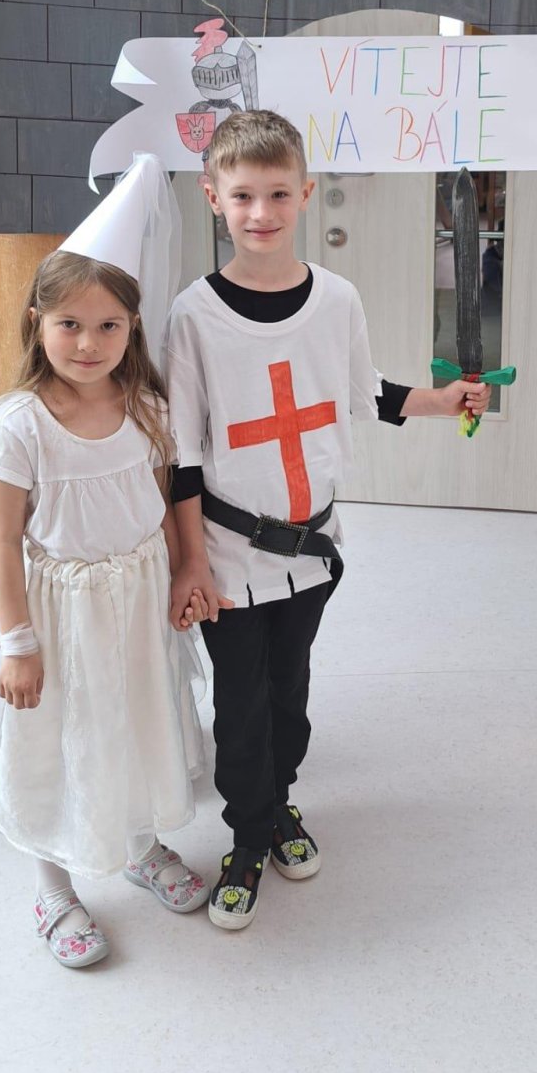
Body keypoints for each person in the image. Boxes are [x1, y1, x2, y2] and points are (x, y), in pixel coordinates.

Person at [164, 110, 490, 931]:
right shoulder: (194, 316)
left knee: (290, 690)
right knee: (240, 701)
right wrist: (190, 561)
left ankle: (279, 804)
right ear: (213, 198)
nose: (261, 212)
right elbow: (183, 452)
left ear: (306, 194)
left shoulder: (337, 299)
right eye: (243, 195)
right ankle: (247, 837)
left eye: (279, 193)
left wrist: (442, 401)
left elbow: (363, 392)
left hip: (311, 545)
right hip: (229, 550)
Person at [0, 159, 207, 970]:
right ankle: (53, 884)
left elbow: (162, 500)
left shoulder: (147, 408)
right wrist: (18, 643)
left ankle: (139, 844)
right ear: (36, 321)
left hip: (137, 601)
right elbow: (1, 542)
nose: (88, 343)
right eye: (70, 323)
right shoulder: (19, 427)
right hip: (56, 613)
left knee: (137, 720)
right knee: (55, 740)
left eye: (109, 326)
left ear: (132, 329)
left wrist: (184, 573)